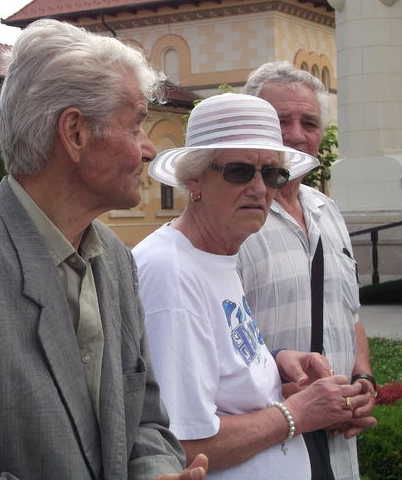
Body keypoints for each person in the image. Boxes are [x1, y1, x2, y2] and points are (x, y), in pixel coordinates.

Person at [0, 19, 207, 480]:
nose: (149, 149)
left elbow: (146, 420)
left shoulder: (113, 257)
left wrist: (154, 470)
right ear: (74, 132)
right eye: (135, 127)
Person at [133, 93, 376, 479]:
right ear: (193, 178)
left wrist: (277, 364)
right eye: (239, 171)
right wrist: (297, 413)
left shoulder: (215, 254)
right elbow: (180, 445)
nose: (261, 188)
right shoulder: (172, 272)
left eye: (272, 173)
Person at [238, 62, 377, 479]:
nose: (297, 134)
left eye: (309, 122)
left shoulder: (327, 210)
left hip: (338, 447)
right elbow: (214, 334)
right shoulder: (232, 222)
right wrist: (302, 401)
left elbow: (349, 314)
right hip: (267, 446)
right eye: (281, 120)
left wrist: (363, 380)